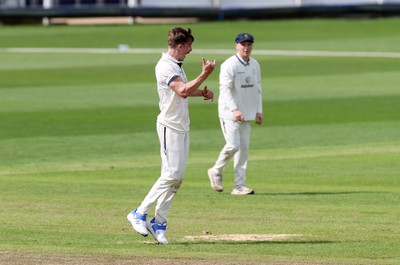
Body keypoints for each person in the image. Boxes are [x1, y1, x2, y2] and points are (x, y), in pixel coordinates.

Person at [127, 27, 215, 244]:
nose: (191, 49)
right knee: (171, 175)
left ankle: (159, 222)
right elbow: (182, 90)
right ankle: (139, 212)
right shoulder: (164, 66)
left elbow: (183, 90)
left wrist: (202, 92)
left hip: (182, 127)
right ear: (179, 46)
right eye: (188, 46)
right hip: (169, 126)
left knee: (177, 178)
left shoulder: (176, 65)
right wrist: (204, 75)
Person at [208, 33, 263, 196]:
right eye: (243, 45)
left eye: (249, 45)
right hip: (229, 113)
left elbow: (258, 88)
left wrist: (259, 110)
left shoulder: (255, 64)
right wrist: (234, 109)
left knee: (244, 149)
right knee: (233, 145)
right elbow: (224, 90)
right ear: (236, 46)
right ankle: (216, 171)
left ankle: (239, 185)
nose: (246, 48)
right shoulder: (229, 65)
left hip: (248, 112)